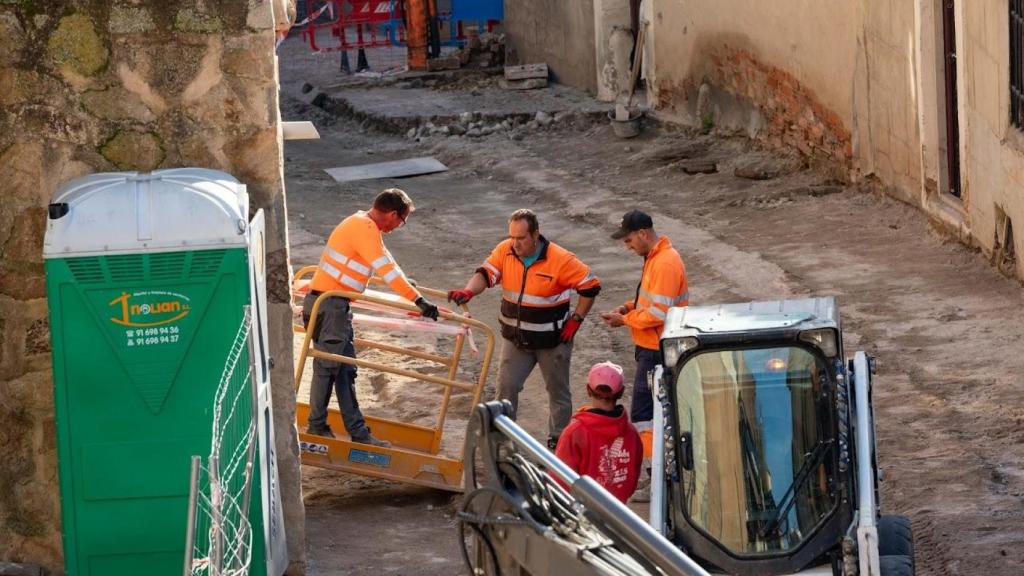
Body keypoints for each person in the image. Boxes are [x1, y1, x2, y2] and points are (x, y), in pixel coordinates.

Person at [447, 209, 601, 448]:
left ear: (536, 234)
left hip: (552, 341)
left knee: (557, 393)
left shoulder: (561, 259)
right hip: (515, 339)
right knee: (505, 388)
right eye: (512, 237)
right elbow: (485, 275)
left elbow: (590, 286)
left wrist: (577, 319)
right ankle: (503, 441)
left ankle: (558, 442)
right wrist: (468, 291)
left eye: (521, 238)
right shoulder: (504, 250)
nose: (515, 244)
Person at [304, 188, 440, 447]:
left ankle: (358, 433)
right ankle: (317, 426)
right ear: (391, 214)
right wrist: (418, 300)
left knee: (344, 371)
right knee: (327, 369)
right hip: (329, 306)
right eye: (402, 220)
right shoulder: (364, 228)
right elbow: (387, 269)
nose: (400, 226)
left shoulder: (362, 225)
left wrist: (411, 289)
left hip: (333, 306)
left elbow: (388, 263)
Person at [600, 209, 688, 443]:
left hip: (656, 350)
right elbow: (652, 301)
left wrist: (624, 319)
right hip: (652, 347)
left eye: (628, 240)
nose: (628, 246)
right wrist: (629, 307)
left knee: (644, 415)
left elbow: (659, 313)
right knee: (652, 413)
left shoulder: (664, 263)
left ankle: (654, 472)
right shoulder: (656, 258)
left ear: (643, 233)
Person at [554, 362, 643, 503]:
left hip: (584, 516)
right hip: (619, 515)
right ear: (621, 392)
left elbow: (560, 481)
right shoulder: (632, 434)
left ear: (588, 390)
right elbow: (632, 480)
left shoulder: (575, 432)